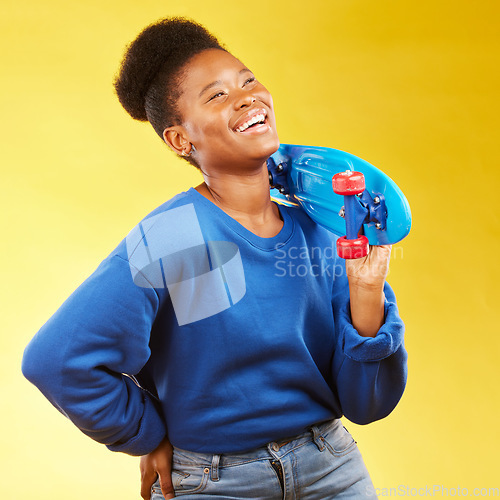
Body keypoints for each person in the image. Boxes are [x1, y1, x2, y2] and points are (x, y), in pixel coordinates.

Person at [22, 17, 407, 499]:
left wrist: (366, 290)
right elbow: (57, 361)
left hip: (332, 467)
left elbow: (367, 403)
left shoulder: (320, 228)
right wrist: (148, 433)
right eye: (217, 95)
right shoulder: (174, 237)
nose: (246, 96)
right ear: (181, 140)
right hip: (217, 483)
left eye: (248, 81)